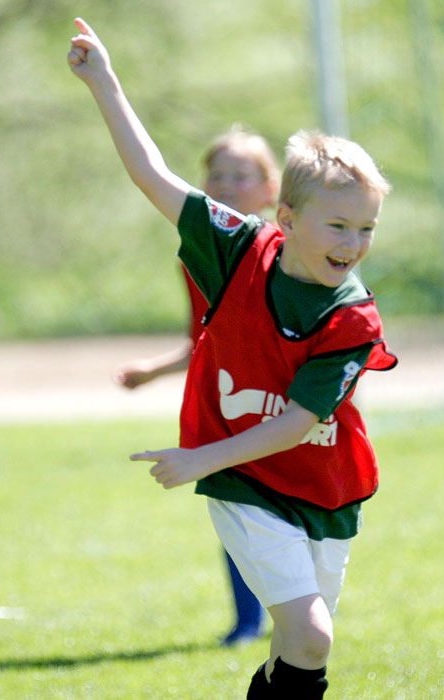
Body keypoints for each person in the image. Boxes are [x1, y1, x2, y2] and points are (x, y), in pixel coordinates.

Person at [68, 17, 397, 699]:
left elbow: (303, 420)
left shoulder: (350, 315)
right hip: (246, 480)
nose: (354, 242)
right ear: (287, 218)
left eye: (365, 227)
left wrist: (198, 458)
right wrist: (104, 82)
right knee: (312, 638)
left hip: (324, 486)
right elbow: (153, 177)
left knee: (296, 651)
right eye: (337, 225)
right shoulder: (238, 248)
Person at [114, 125, 280, 647]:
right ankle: (248, 623)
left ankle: (302, 612)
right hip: (230, 405)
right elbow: (208, 342)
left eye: (241, 174)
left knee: (291, 511)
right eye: (217, 175)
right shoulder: (201, 257)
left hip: (289, 407)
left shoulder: (294, 253)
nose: (227, 183)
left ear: (271, 187)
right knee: (237, 508)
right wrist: (155, 371)